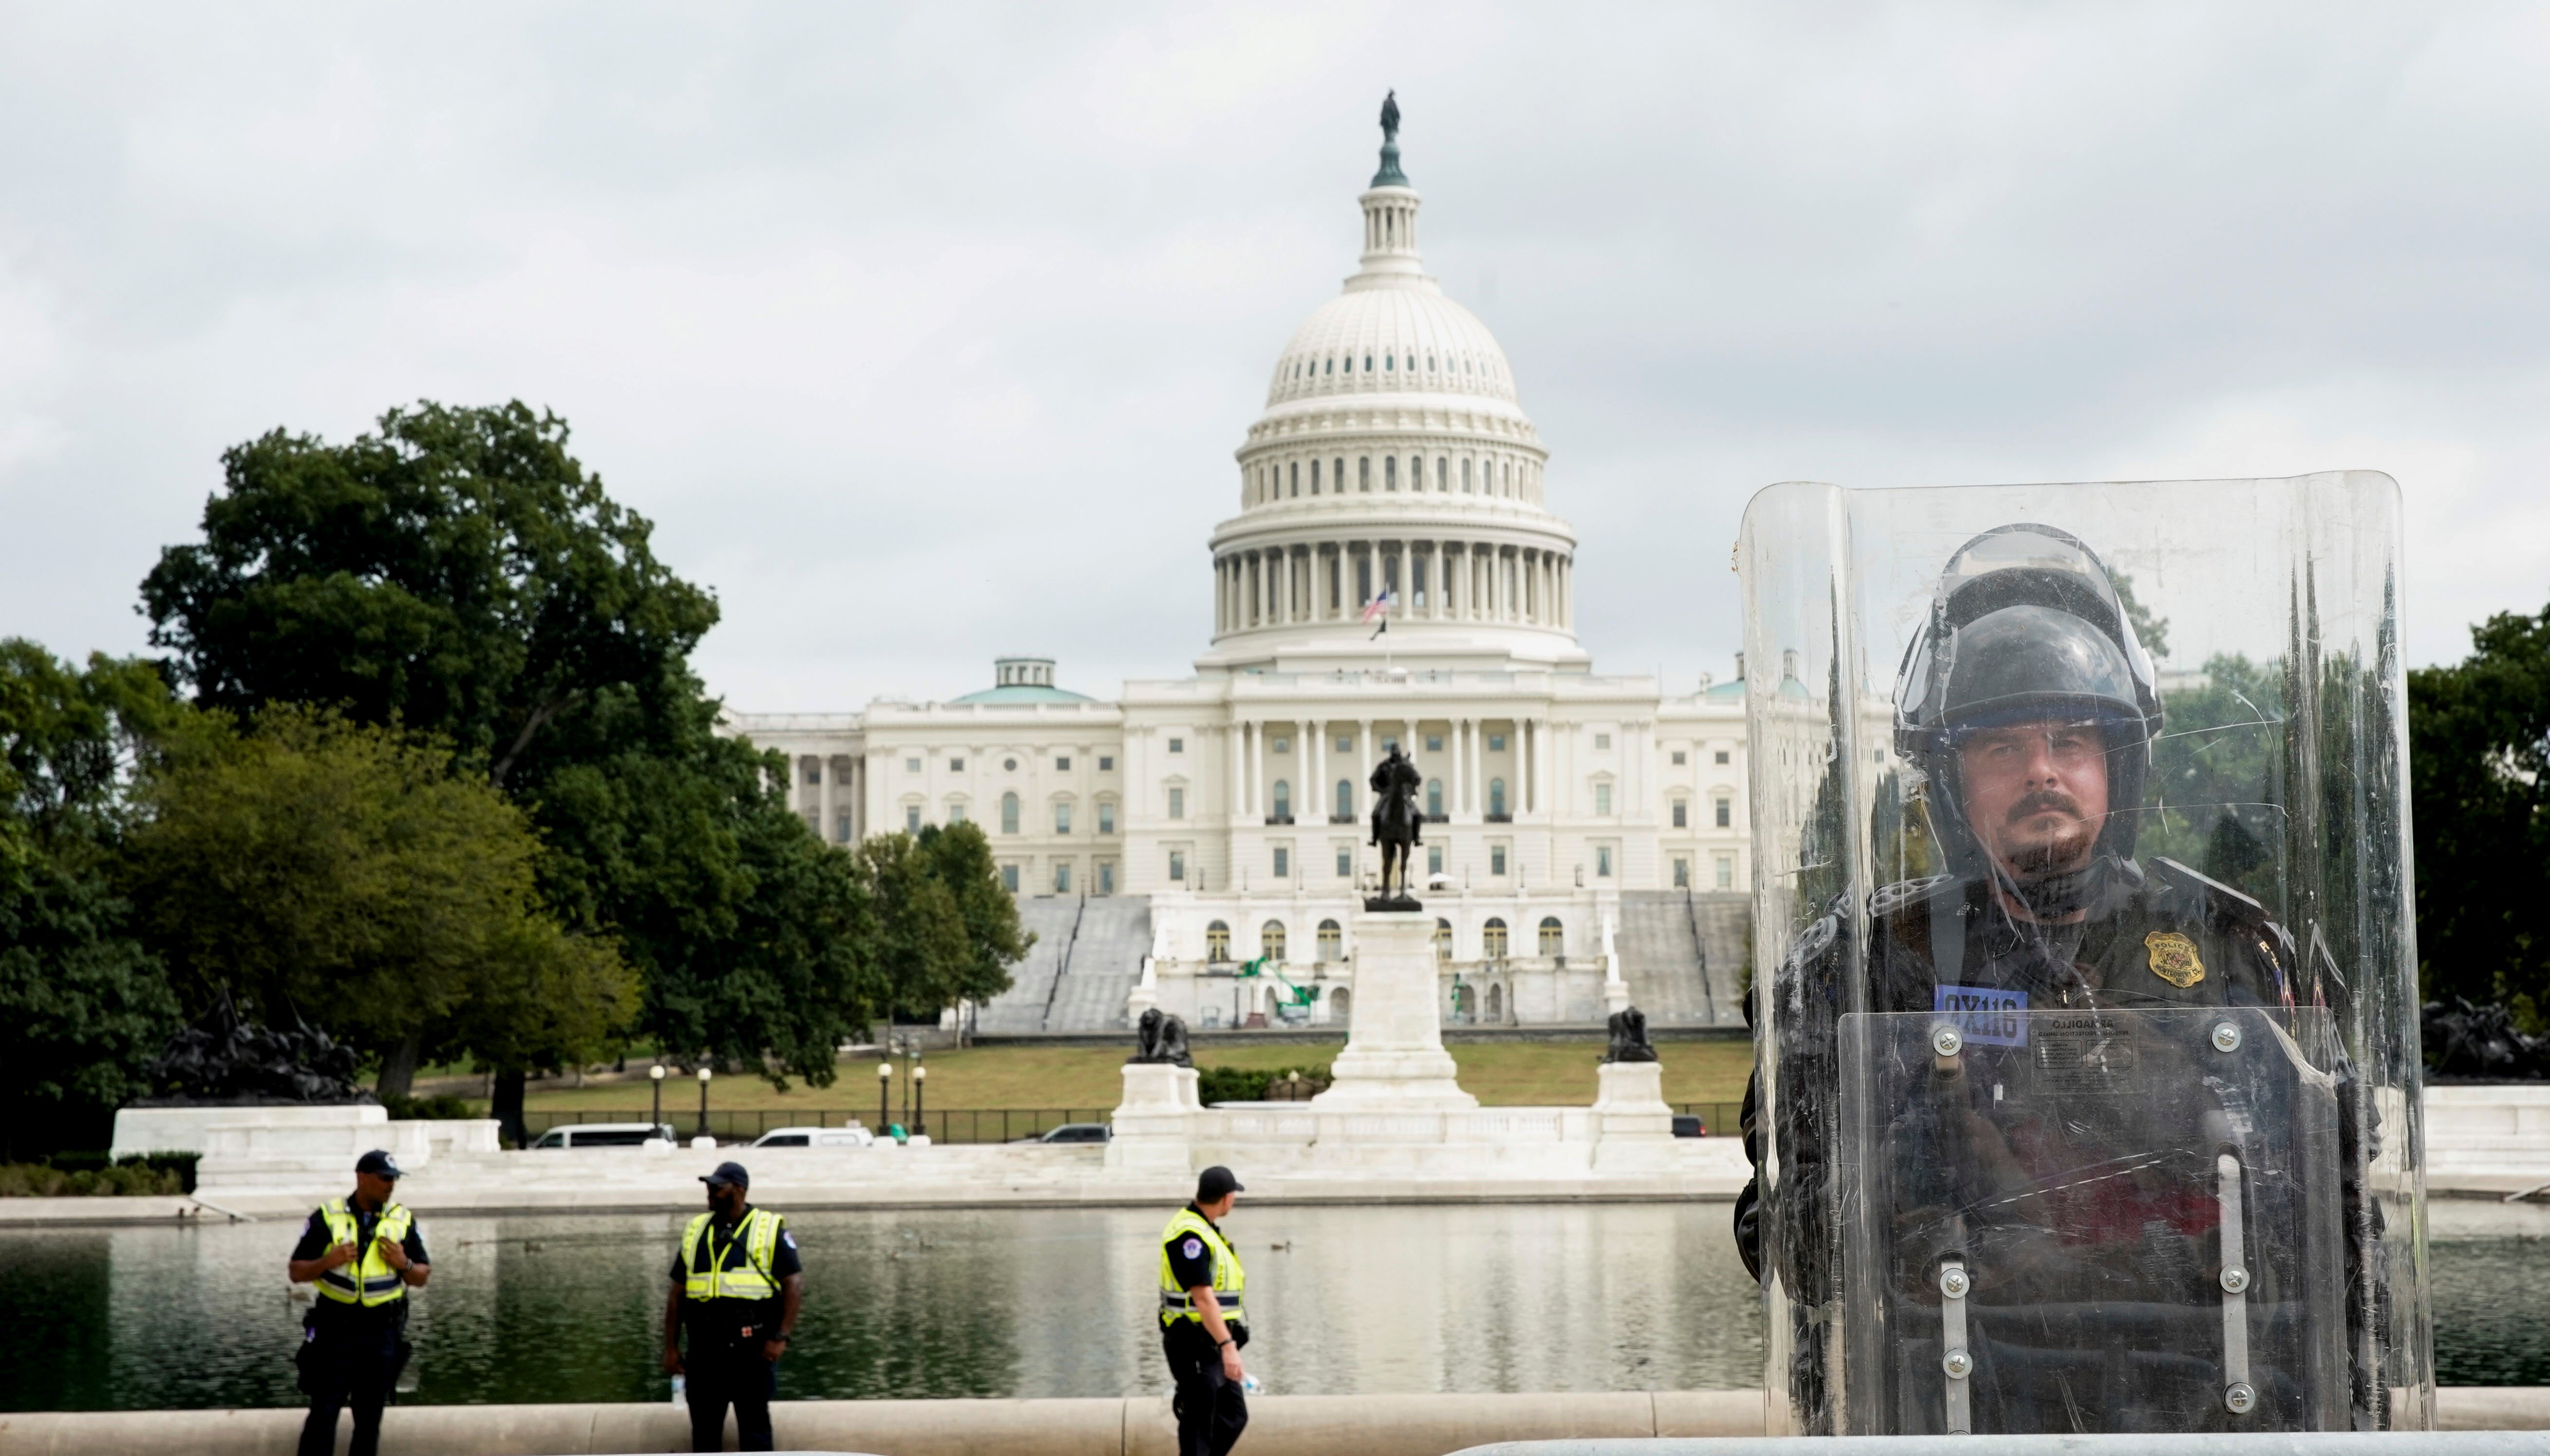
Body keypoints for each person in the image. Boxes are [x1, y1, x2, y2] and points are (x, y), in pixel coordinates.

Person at [1735, 523, 2375, 1434]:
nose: (2041, 770)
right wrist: (1913, 1192)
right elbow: (1785, 1236)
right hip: (1959, 1411)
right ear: (1950, 780)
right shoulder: (1867, 964)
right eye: (2001, 748)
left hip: (2209, 1413)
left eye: (2070, 740)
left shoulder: (2236, 949)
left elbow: (2340, 1234)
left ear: (2118, 763)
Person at [286, 1149, 430, 1456]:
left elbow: (421, 1276)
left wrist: (403, 1264)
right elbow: (296, 1271)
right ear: (362, 1178)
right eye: (384, 1179)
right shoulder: (328, 1216)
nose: (390, 1186)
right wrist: (328, 1261)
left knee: (369, 1421)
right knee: (323, 1416)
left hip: (382, 1335)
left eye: (394, 1180)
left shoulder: (401, 1219)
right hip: (335, 1332)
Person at [663, 1161, 803, 1453]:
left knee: (755, 1434)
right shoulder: (696, 1230)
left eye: (717, 1187)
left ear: (738, 1190)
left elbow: (794, 1285)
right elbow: (677, 1294)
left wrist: (781, 1337)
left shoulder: (767, 1228)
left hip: (751, 1352)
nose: (710, 1193)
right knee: (704, 1435)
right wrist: (671, 1348)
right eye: (708, 1187)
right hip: (703, 1352)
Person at [1159, 1165, 1249, 1456]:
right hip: (1193, 1342)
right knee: (1199, 1427)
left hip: (1209, 1342)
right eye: (1233, 1194)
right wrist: (1228, 1346)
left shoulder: (1206, 1230)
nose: (1233, 1200)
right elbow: (1202, 1298)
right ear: (1226, 1198)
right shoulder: (1190, 1236)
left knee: (1234, 1416)